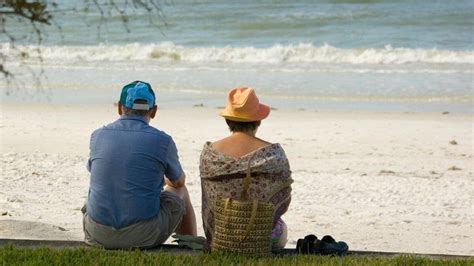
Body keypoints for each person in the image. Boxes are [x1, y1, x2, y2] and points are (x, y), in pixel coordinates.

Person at [83, 81, 197, 249]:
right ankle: (189, 246)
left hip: (97, 233)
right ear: (154, 111)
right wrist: (162, 179)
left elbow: (101, 171)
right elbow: (178, 182)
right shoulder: (162, 141)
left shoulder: (98, 135)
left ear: (120, 106)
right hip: (142, 236)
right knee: (181, 191)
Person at [199, 87, 293, 250]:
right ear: (258, 120)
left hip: (219, 237)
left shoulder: (210, 153)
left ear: (228, 120)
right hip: (260, 238)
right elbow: (284, 201)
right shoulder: (274, 153)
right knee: (280, 227)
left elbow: (207, 202)